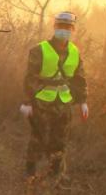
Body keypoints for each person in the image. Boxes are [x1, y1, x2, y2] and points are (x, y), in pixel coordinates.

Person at [20, 11, 88, 185]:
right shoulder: (39, 49)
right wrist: (27, 101)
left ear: (73, 29)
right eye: (61, 26)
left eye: (68, 27)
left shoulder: (75, 52)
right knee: (38, 137)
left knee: (60, 139)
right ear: (55, 27)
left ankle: (55, 174)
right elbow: (30, 77)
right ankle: (30, 173)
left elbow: (79, 78)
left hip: (64, 102)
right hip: (42, 101)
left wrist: (83, 101)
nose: (65, 30)